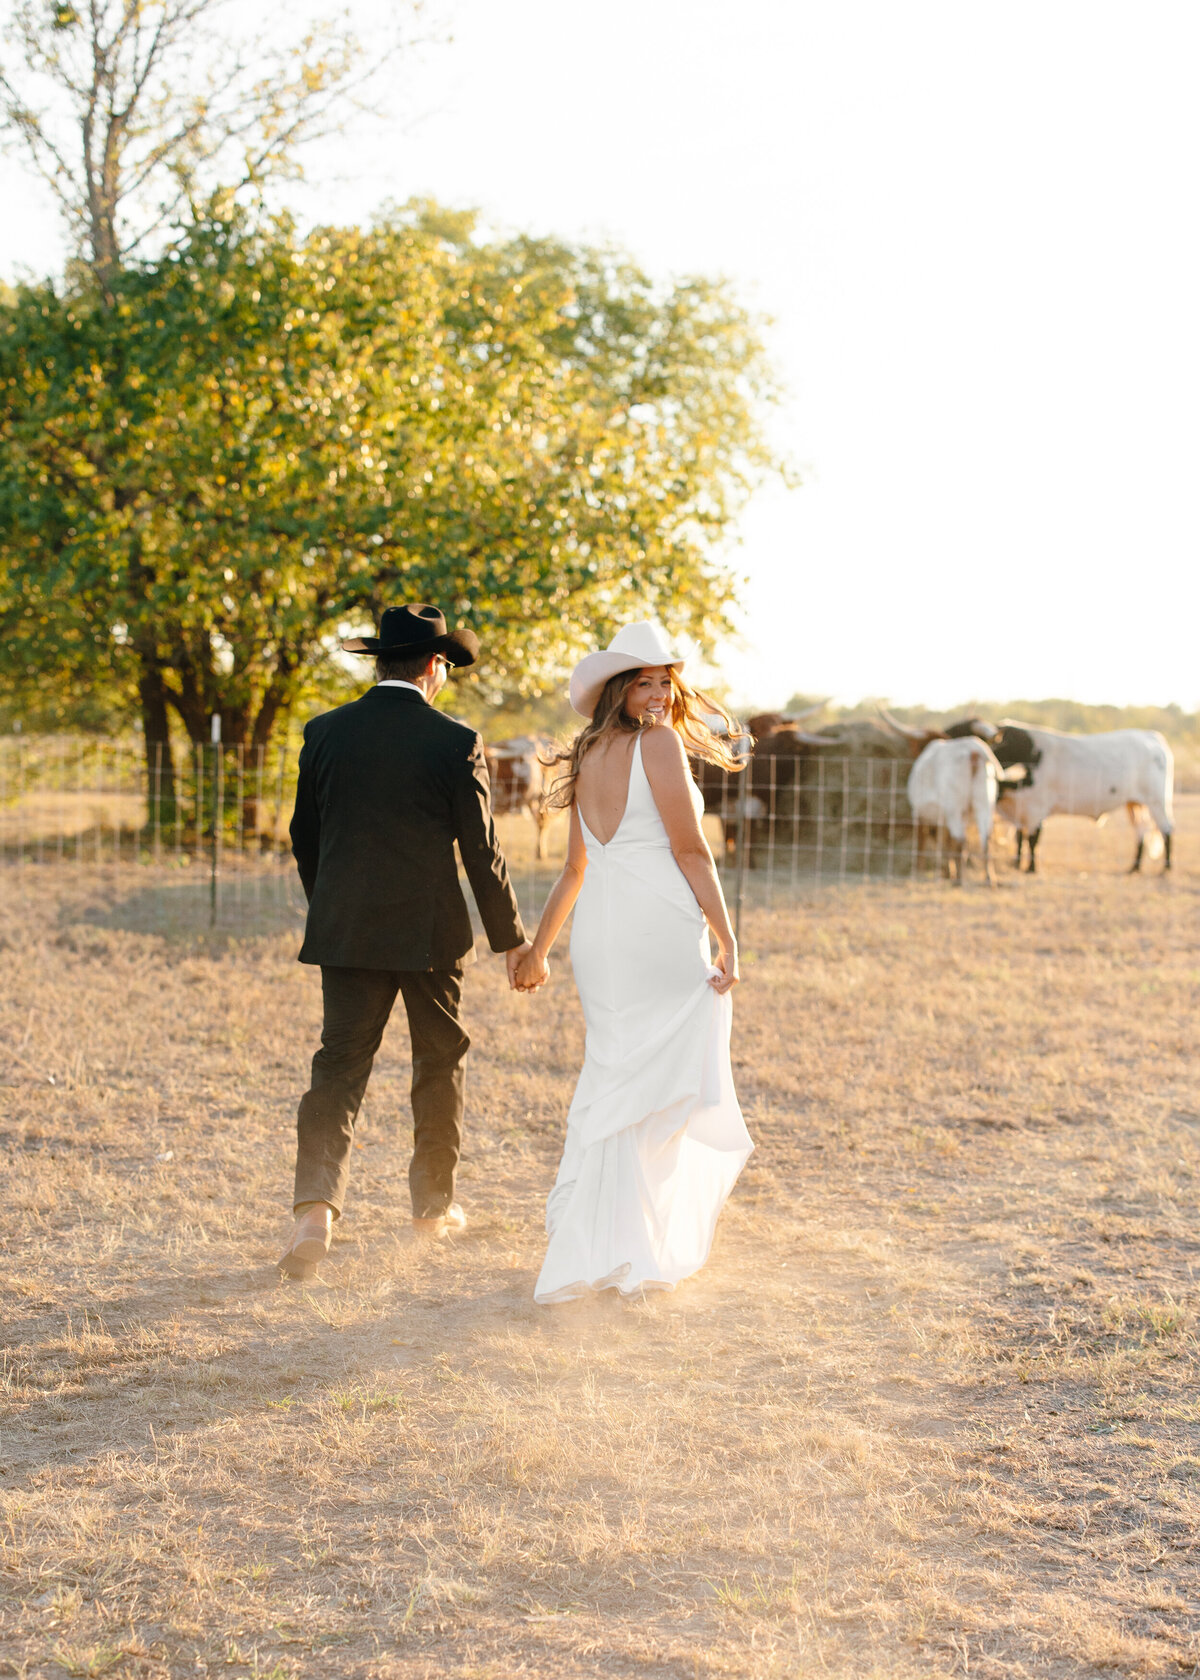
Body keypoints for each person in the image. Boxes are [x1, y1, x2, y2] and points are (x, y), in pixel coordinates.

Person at [279, 604, 533, 1280]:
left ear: (382, 663)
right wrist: (511, 939)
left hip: (347, 928)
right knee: (438, 1062)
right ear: (433, 666)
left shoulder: (325, 732)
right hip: (430, 935)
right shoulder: (455, 741)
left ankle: (315, 1210)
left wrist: (331, 904)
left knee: (338, 1067)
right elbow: (483, 850)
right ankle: (432, 1208)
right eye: (447, 664)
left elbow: (306, 836)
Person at [515, 622, 754, 1303]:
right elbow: (689, 850)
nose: (655, 695)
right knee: (653, 1080)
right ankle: (633, 1245)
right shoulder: (661, 744)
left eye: (663, 683)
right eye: (642, 682)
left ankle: (610, 1239)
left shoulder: (589, 753)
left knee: (618, 1073)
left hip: (602, 936)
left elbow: (572, 872)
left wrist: (542, 948)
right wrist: (727, 935)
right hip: (656, 928)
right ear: (617, 690)